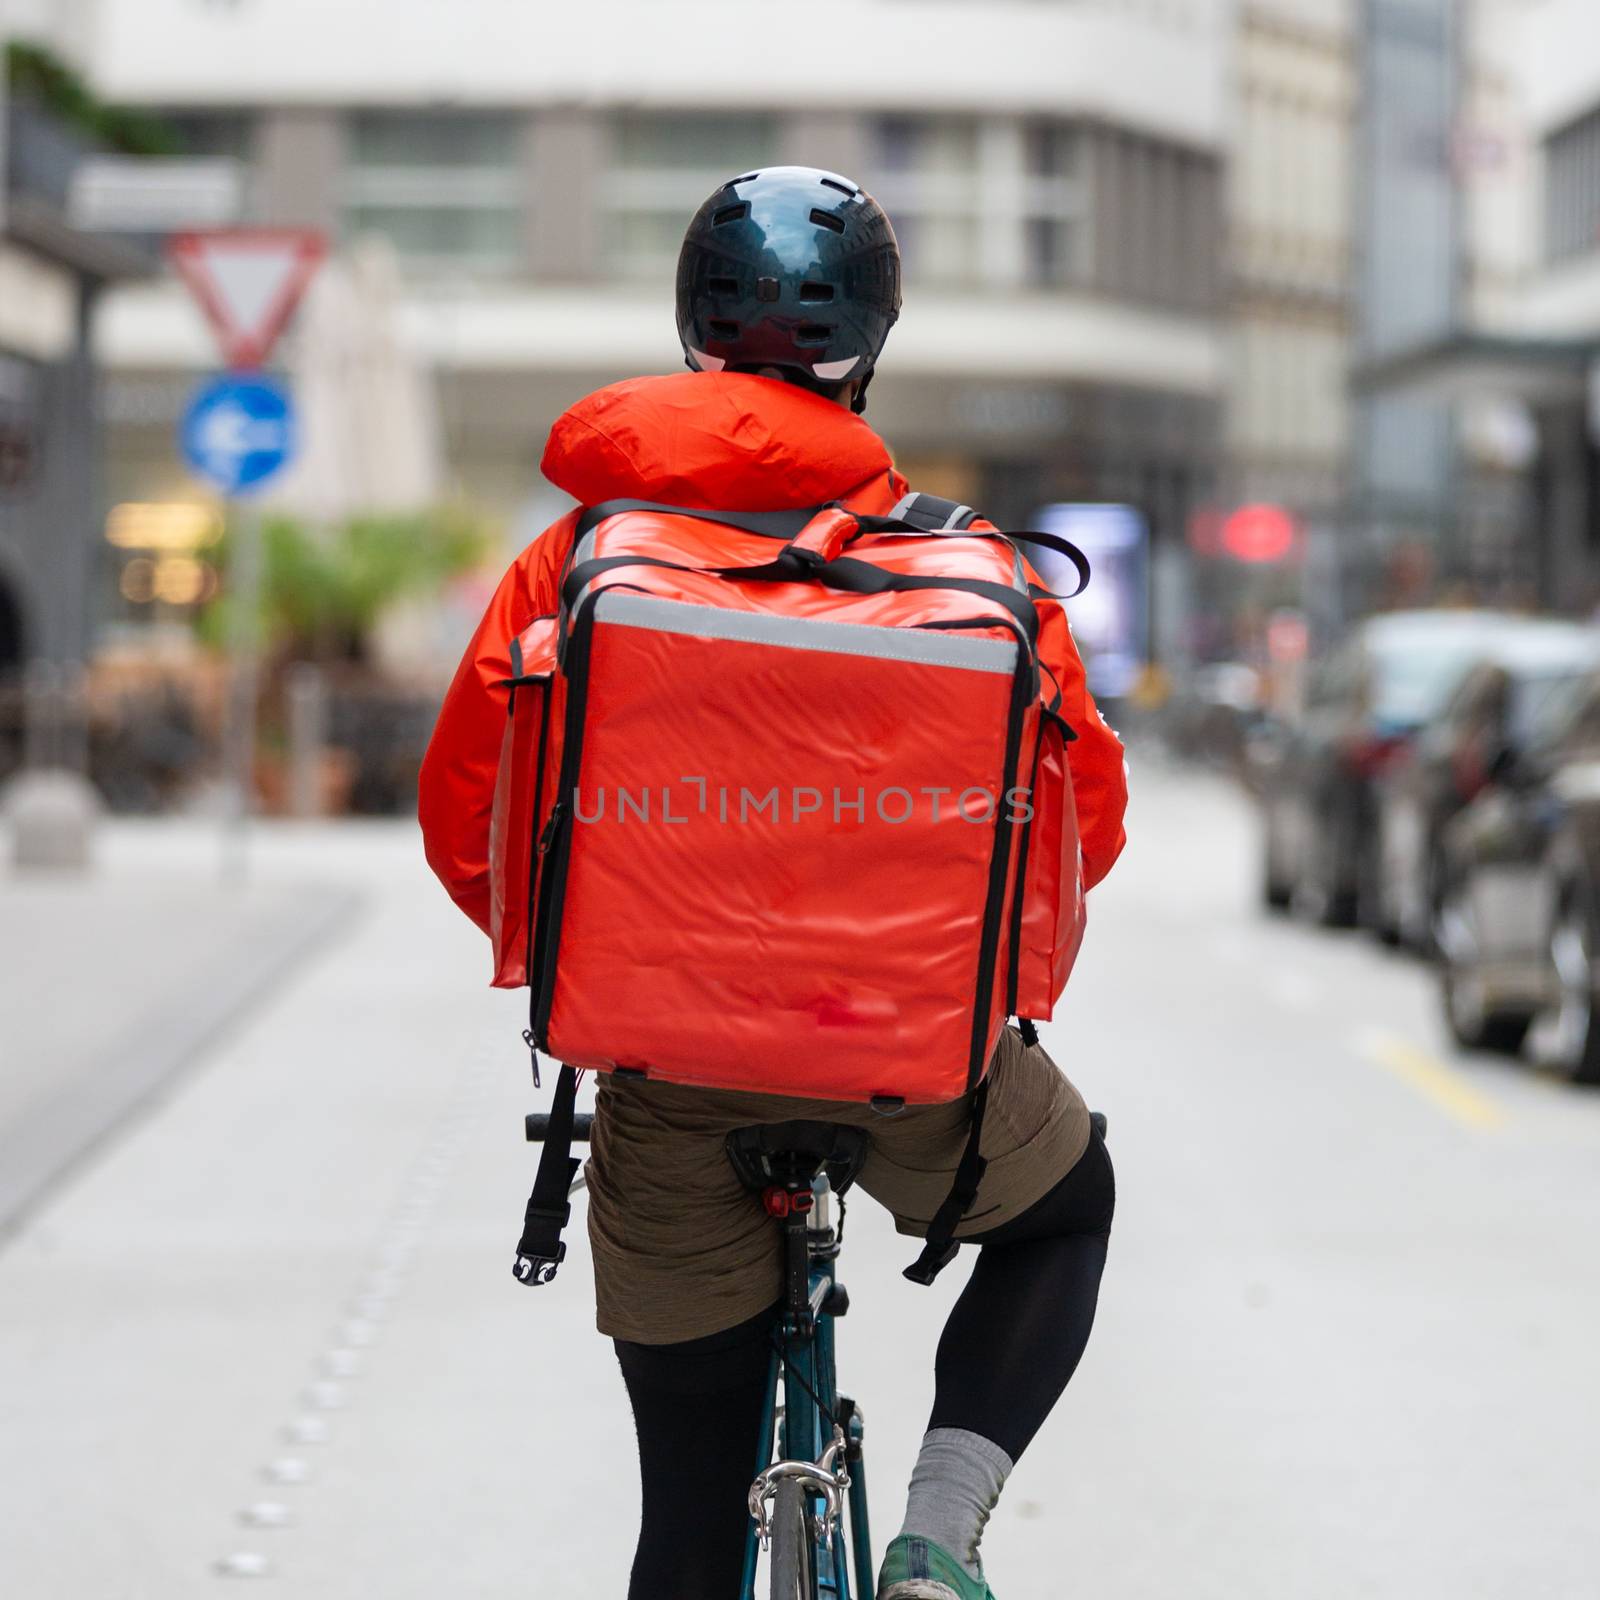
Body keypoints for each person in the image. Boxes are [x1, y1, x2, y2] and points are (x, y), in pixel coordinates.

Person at [419, 166, 1129, 1600]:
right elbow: (1082, 824)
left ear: (694, 327)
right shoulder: (975, 566)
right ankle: (937, 1531)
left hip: (668, 1078)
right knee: (1071, 1207)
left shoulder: (574, 562)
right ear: (871, 341)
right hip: (921, 1068)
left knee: (683, 1520)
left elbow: (469, 821)